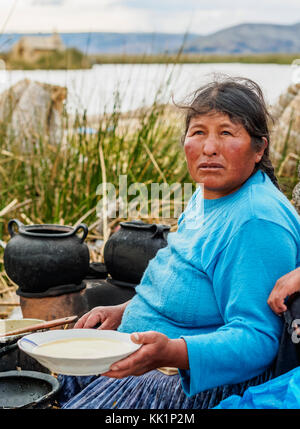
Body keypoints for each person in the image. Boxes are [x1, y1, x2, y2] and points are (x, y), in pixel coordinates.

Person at [57, 76, 300, 409]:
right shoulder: (207, 195)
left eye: (227, 133)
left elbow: (259, 341)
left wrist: (172, 352)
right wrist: (123, 312)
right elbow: (187, 284)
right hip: (142, 351)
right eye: (198, 132)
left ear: (259, 149)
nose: (209, 147)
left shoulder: (256, 220)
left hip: (197, 383)